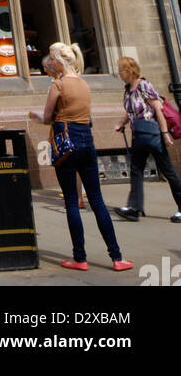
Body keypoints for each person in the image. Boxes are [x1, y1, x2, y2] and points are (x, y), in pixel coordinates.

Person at [28, 40, 132, 272]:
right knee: (97, 200)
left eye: (52, 59)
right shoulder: (84, 83)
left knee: (72, 202)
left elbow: (47, 116)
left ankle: (80, 258)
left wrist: (36, 115)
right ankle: (117, 257)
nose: (50, 62)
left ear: (57, 60)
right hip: (87, 140)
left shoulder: (58, 84)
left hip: (66, 142)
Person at [113, 55, 181, 223]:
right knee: (136, 170)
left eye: (121, 70)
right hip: (138, 136)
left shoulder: (144, 85)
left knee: (168, 171)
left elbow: (158, 109)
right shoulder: (128, 89)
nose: (119, 73)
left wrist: (165, 135)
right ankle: (134, 208)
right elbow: (131, 111)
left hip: (152, 135)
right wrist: (121, 123)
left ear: (129, 70)